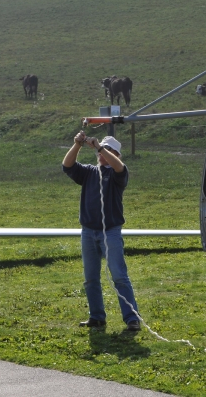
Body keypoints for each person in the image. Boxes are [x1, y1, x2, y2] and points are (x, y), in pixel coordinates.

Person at [62, 131, 141, 332]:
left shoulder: (118, 173)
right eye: (100, 151)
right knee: (90, 278)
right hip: (88, 232)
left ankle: (132, 319)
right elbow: (67, 166)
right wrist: (77, 145)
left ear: (116, 154)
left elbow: (119, 167)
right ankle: (97, 317)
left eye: (108, 150)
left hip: (111, 232)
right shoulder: (89, 172)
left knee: (119, 276)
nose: (102, 154)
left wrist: (99, 147)